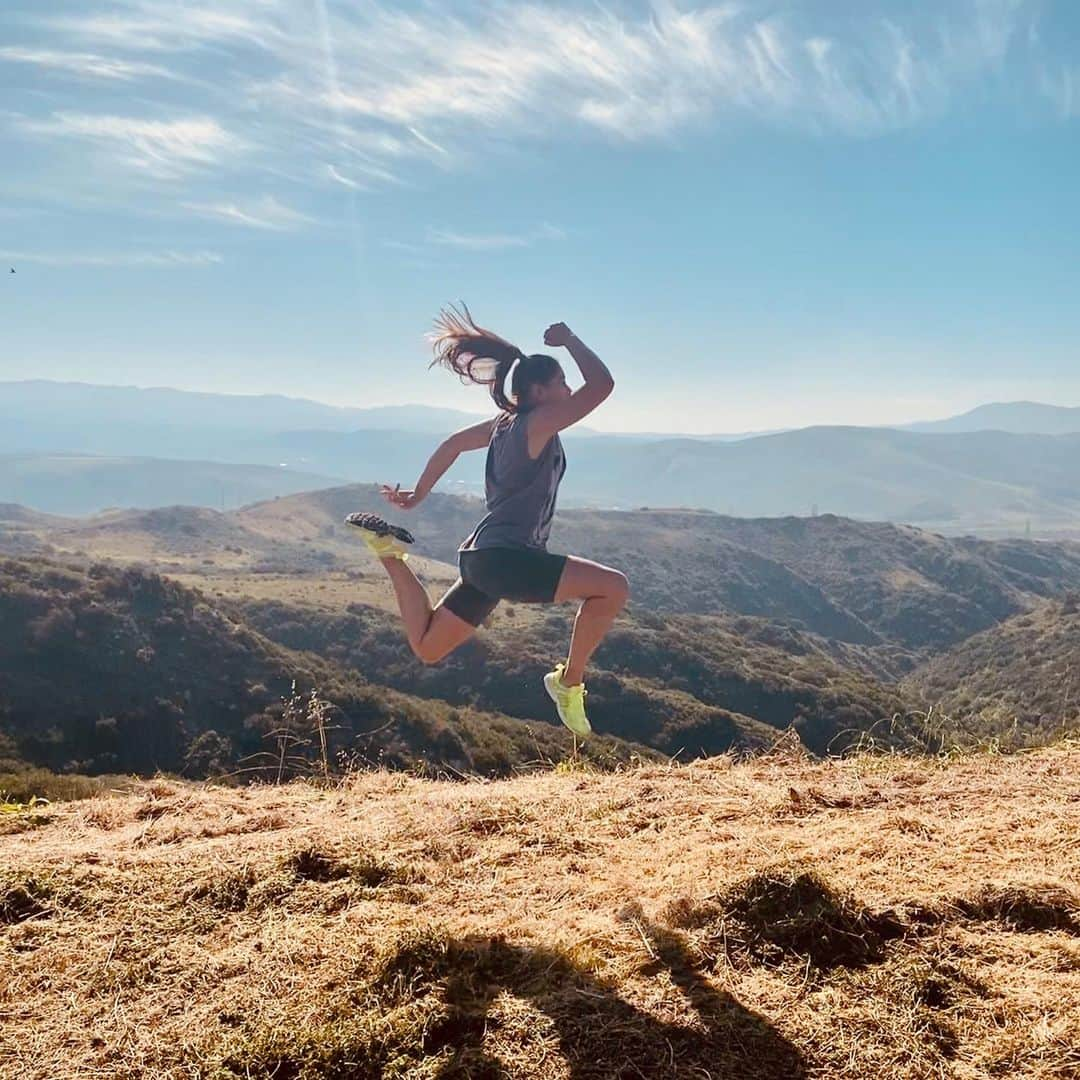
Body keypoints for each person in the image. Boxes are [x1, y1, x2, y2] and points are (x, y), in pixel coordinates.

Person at [345, 304, 628, 738]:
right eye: (561, 383)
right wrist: (570, 340)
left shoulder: (503, 425)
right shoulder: (536, 423)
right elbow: (602, 385)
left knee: (427, 646)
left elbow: (453, 443)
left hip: (480, 560)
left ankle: (389, 554)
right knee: (613, 588)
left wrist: (418, 494)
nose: (570, 390)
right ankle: (567, 684)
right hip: (507, 560)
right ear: (537, 392)